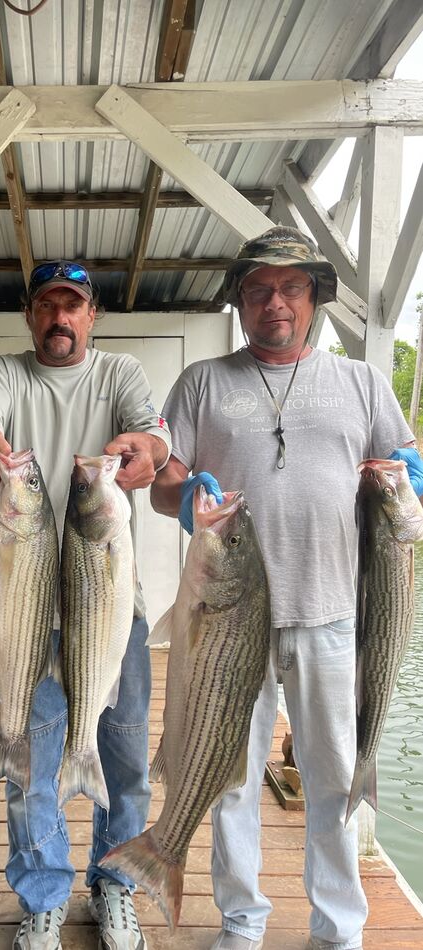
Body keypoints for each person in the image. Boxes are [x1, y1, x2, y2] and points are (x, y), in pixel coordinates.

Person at [151, 226, 423, 950]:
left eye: (290, 287)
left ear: (315, 299)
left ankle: (338, 930)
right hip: (226, 619)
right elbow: (163, 478)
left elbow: (403, 457)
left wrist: (406, 478)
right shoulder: (202, 382)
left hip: (333, 614)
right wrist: (185, 498)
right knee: (229, 778)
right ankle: (241, 922)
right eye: (259, 288)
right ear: (239, 301)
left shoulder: (361, 381)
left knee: (334, 780)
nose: (275, 302)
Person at [0, 260, 171, 950]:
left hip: (111, 612)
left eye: (72, 306)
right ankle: (43, 895)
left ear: (91, 315)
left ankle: (116, 888)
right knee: (29, 762)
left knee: (125, 758)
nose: (59, 318)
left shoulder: (120, 373)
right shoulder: (8, 372)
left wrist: (149, 449)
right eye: (47, 305)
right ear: (31, 316)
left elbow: (151, 433)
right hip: (27, 615)